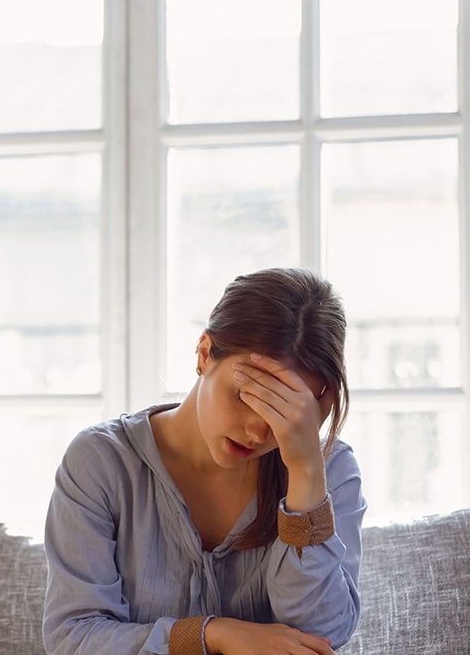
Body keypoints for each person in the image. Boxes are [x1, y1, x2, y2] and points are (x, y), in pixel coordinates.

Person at [43, 268, 365, 655]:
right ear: (203, 354)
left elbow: (322, 635)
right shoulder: (100, 462)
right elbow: (74, 637)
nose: (257, 432)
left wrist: (306, 476)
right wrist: (215, 634)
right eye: (246, 397)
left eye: (283, 412)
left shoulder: (329, 472)